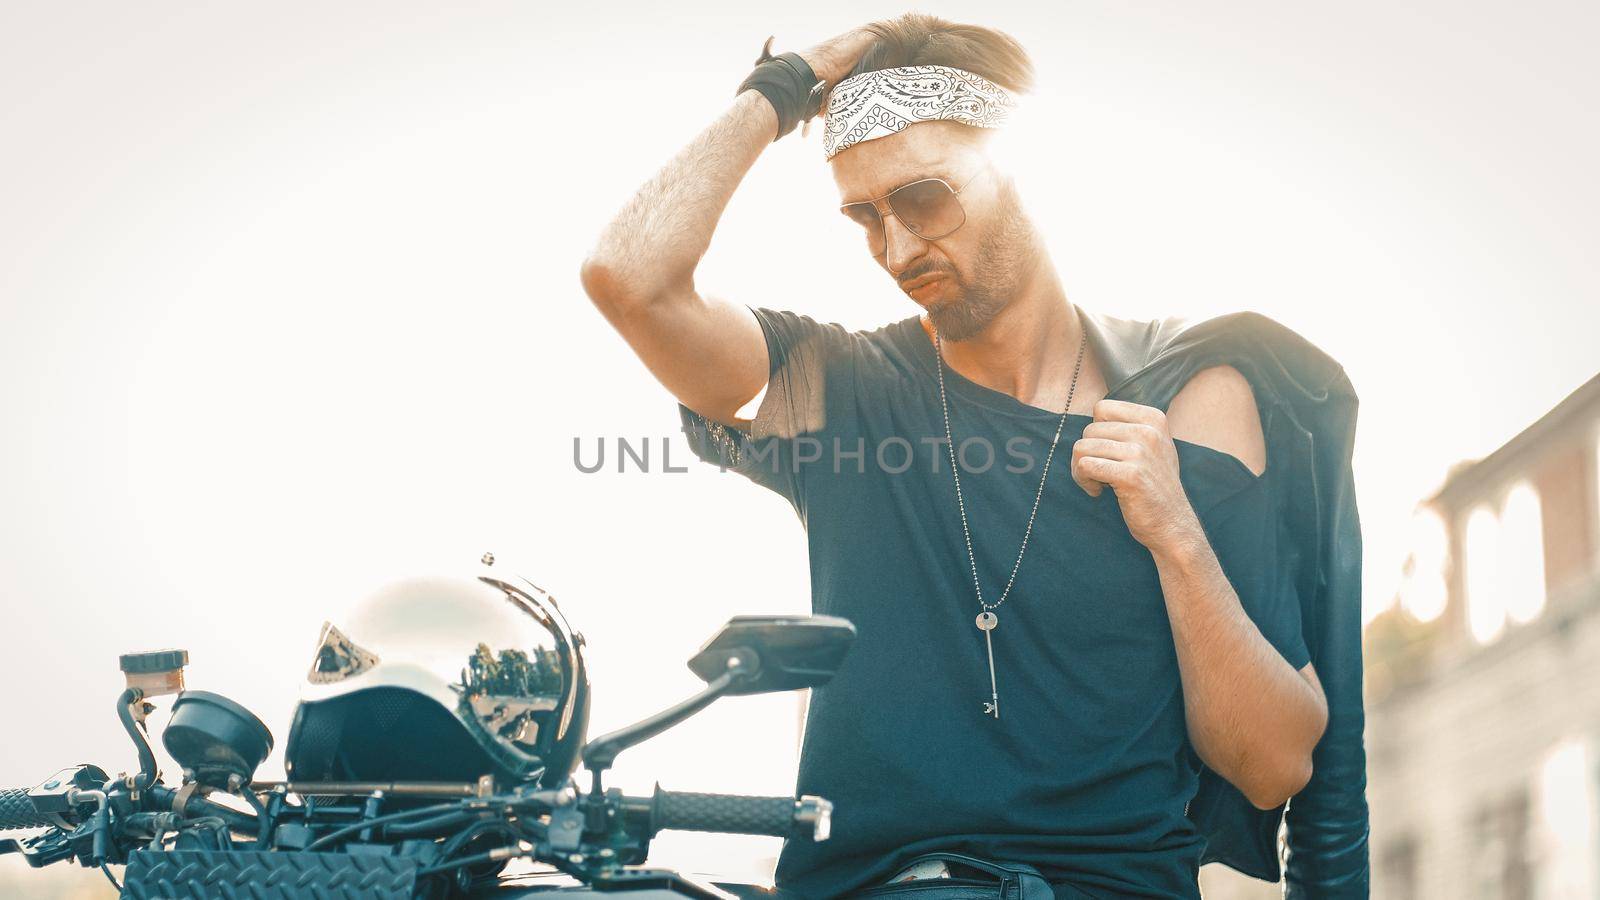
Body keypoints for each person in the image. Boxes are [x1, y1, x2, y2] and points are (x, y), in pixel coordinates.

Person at [581, 14, 1350, 899]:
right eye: (865, 217)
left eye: (923, 198)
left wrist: (1175, 532)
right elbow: (629, 280)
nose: (898, 250)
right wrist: (786, 85)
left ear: (1024, 173)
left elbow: (1274, 764)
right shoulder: (838, 391)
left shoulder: (1186, 396)